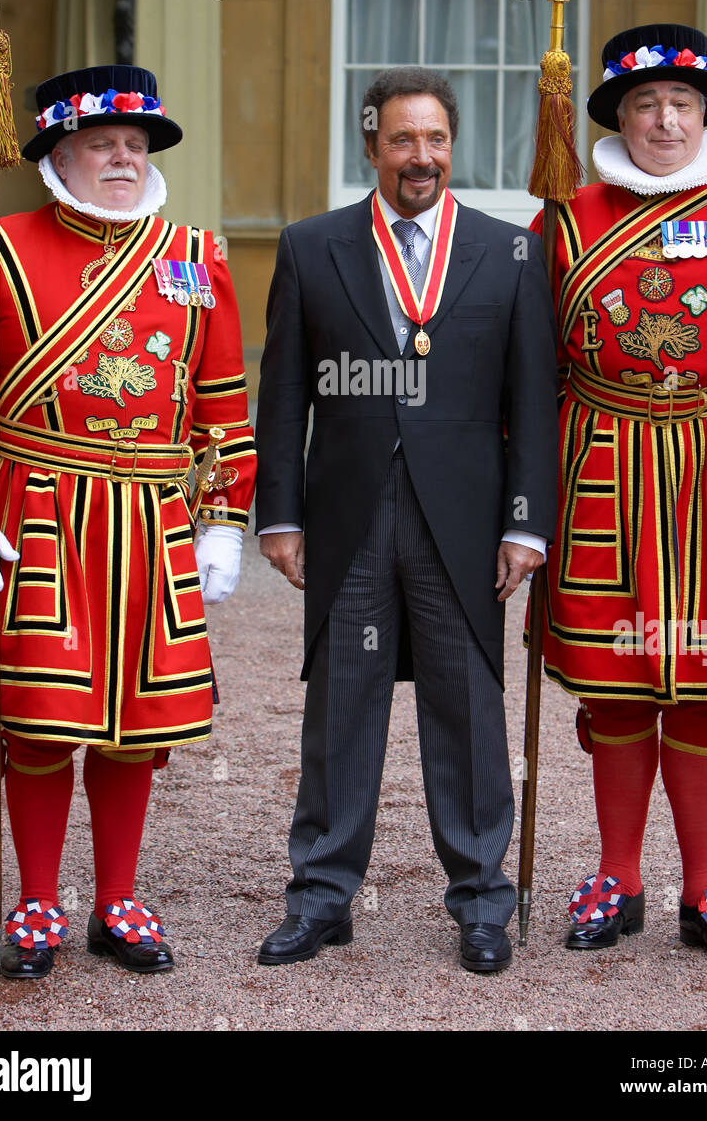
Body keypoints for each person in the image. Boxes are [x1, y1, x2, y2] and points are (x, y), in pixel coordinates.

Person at [0, 64, 255, 979]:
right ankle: (37, 902)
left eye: (134, 145)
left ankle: (118, 899)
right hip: (37, 515)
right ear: (59, 157)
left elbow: (223, 406)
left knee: (138, 721)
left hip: (154, 519)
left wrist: (225, 518)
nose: (122, 159)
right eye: (100, 146)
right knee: (39, 718)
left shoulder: (197, 254)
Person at [254, 66, 559, 972]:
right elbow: (281, 399)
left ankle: (479, 902)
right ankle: (320, 897)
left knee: (466, 708)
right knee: (340, 708)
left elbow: (532, 404)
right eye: (400, 139)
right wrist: (278, 514)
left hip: (464, 523)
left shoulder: (509, 253)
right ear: (370, 144)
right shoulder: (311, 247)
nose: (418, 156)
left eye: (433, 139)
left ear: (450, 147)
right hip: (348, 513)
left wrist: (524, 525)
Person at [534, 23, 707, 964]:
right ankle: (618, 876)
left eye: (679, 104)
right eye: (644, 104)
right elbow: (530, 374)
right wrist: (522, 499)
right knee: (616, 685)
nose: (663, 120)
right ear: (616, 114)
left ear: (703, 113)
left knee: (701, 688)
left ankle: (706, 882)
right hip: (600, 470)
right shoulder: (565, 216)